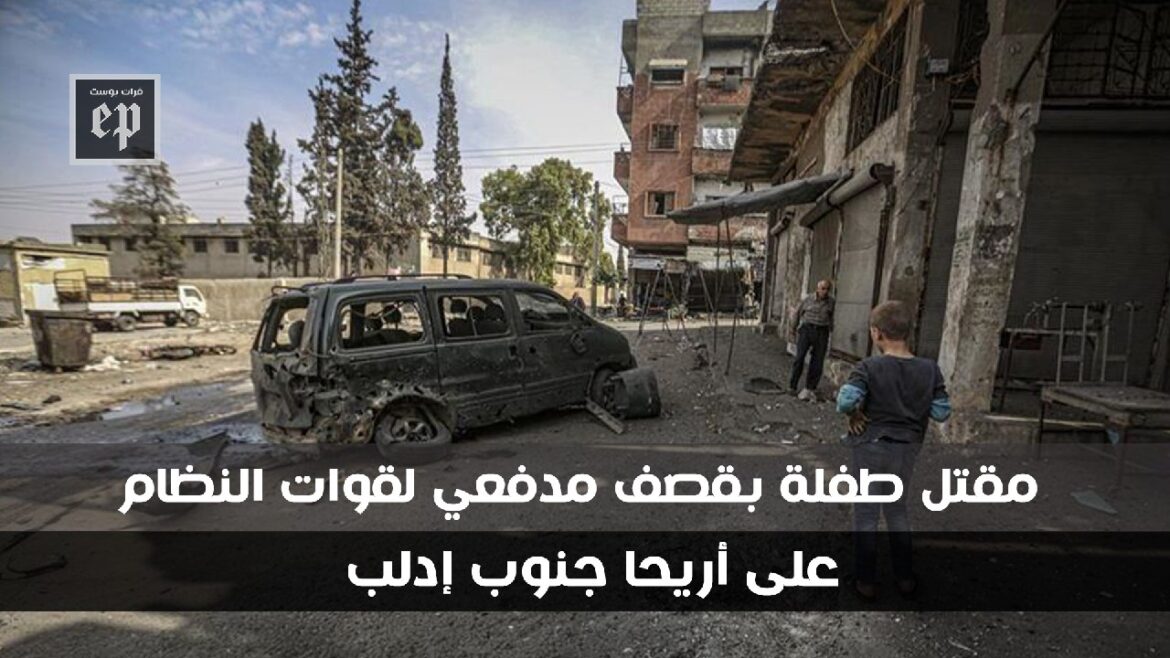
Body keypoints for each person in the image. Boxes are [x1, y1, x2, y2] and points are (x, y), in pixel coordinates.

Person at [835, 300, 952, 601]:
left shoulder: (868, 367)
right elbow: (941, 412)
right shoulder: (930, 370)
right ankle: (905, 578)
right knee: (897, 510)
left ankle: (865, 581)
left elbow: (845, 401)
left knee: (866, 514)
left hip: (871, 447)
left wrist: (854, 413)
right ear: (908, 332)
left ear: (877, 333)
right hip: (907, 450)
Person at [788, 279, 835, 400]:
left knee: (818, 361)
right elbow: (797, 313)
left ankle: (810, 387)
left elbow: (832, 317)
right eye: (823, 288)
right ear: (817, 289)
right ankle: (792, 385)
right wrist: (792, 329)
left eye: (827, 289)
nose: (825, 291)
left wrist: (831, 332)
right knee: (799, 358)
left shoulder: (831, 302)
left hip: (822, 331)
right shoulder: (807, 299)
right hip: (807, 329)